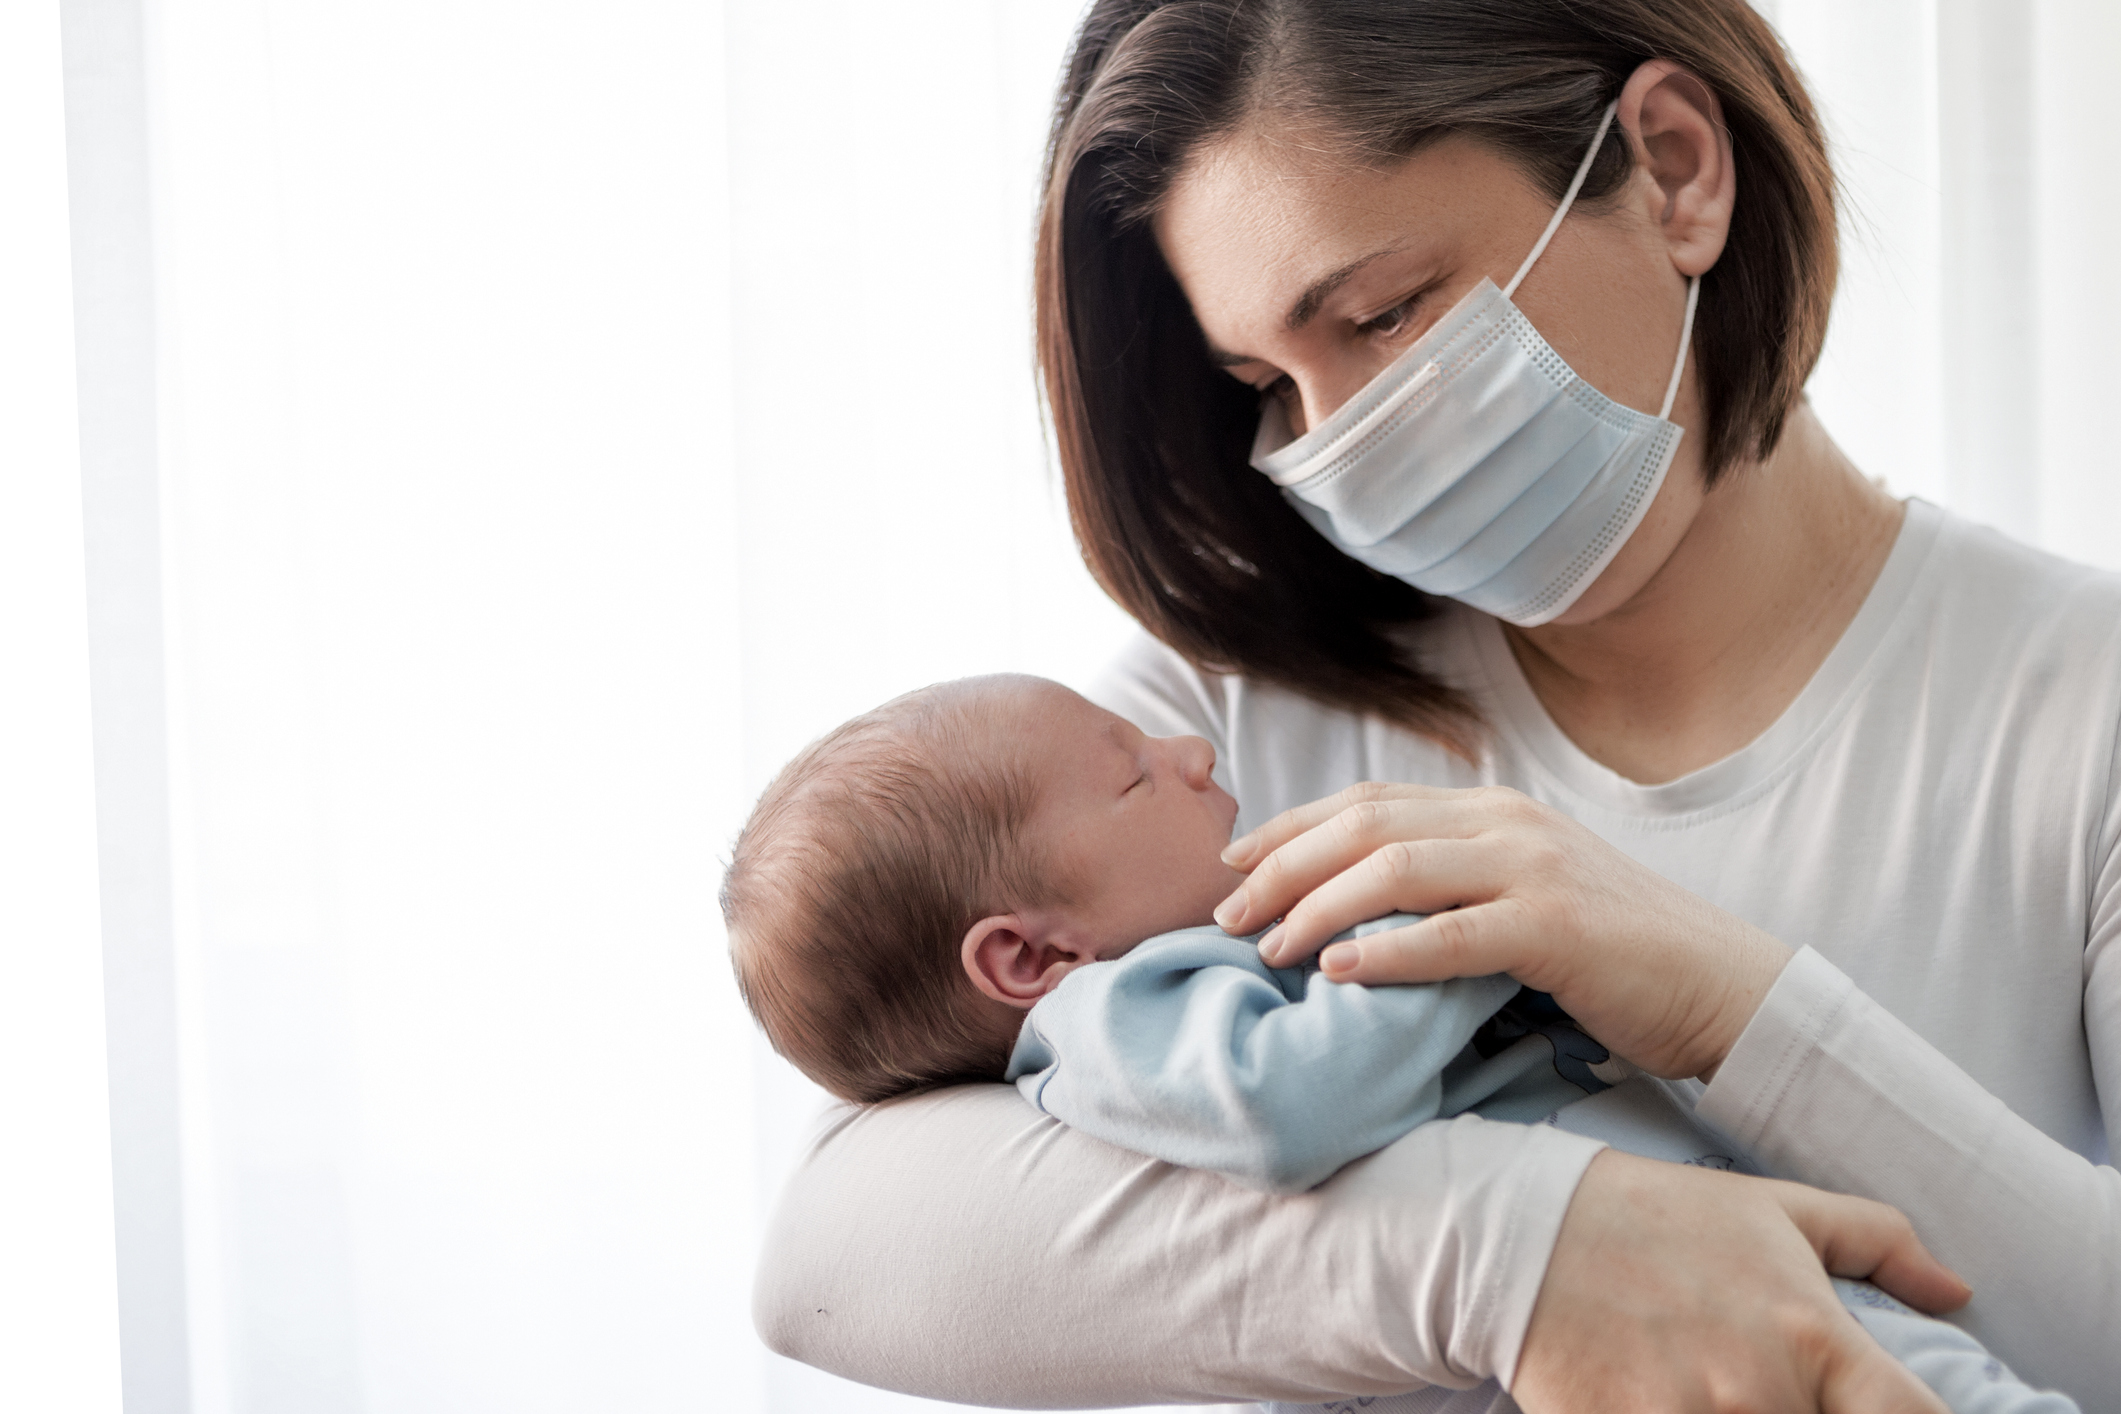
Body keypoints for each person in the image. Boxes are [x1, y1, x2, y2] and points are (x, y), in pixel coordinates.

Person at [751, 2, 2121, 1411]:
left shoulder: (2079, 706)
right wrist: (1521, 1249)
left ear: (1669, 168)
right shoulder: (1219, 732)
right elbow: (827, 1254)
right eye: (1269, 383)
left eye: (1382, 313)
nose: (1334, 433)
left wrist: (1726, 1007)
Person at [724, 673, 2074, 1413]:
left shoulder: (1189, 958)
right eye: (1132, 769)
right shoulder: (1111, 1015)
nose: (1190, 746)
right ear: (1026, 956)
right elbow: (1283, 1099)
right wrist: (1461, 937)